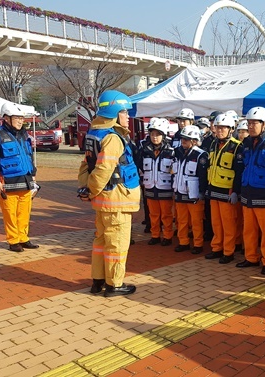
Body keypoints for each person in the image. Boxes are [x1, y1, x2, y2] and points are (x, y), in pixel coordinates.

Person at [78, 90, 140, 297]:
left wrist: (86, 189)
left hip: (103, 201)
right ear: (114, 112)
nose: (128, 116)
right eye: (125, 112)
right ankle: (114, 284)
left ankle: (98, 281)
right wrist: (91, 190)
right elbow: (104, 169)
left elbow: (86, 165)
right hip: (117, 201)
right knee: (117, 245)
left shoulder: (94, 133)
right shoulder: (113, 138)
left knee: (100, 242)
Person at [0, 102, 39, 252]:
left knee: (24, 212)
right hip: (7, 182)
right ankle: (13, 240)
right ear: (6, 118)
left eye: (22, 118)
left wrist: (33, 175)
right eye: (17, 118)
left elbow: (28, 156)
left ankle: (23, 238)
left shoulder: (23, 134)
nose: (21, 121)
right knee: (10, 213)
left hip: (26, 180)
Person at [235, 106, 265, 275]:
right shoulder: (245, 143)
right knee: (249, 229)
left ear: (264, 124)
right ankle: (251, 257)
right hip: (248, 194)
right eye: (249, 123)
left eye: (255, 123)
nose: (250, 126)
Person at [205, 113, 244, 263]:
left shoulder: (237, 147)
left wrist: (235, 191)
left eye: (223, 128)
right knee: (216, 223)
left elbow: (239, 171)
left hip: (227, 192)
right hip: (214, 189)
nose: (220, 130)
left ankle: (228, 252)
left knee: (228, 224)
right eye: (218, 127)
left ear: (231, 129)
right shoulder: (213, 144)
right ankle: (216, 248)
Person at [172, 125, 209, 254]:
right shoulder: (177, 152)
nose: (183, 141)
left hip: (194, 194)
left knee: (196, 221)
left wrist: (201, 193)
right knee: (181, 220)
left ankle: (198, 244)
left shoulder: (201, 155)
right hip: (179, 191)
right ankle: (183, 242)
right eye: (183, 139)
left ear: (194, 140)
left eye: (187, 139)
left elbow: (203, 177)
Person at [140, 118, 175, 246]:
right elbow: (140, 167)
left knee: (166, 215)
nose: (154, 137)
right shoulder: (144, 150)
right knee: (153, 214)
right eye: (152, 134)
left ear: (164, 135)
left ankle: (167, 236)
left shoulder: (171, 151)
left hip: (165, 188)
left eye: (158, 134)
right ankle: (155, 235)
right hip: (150, 187)